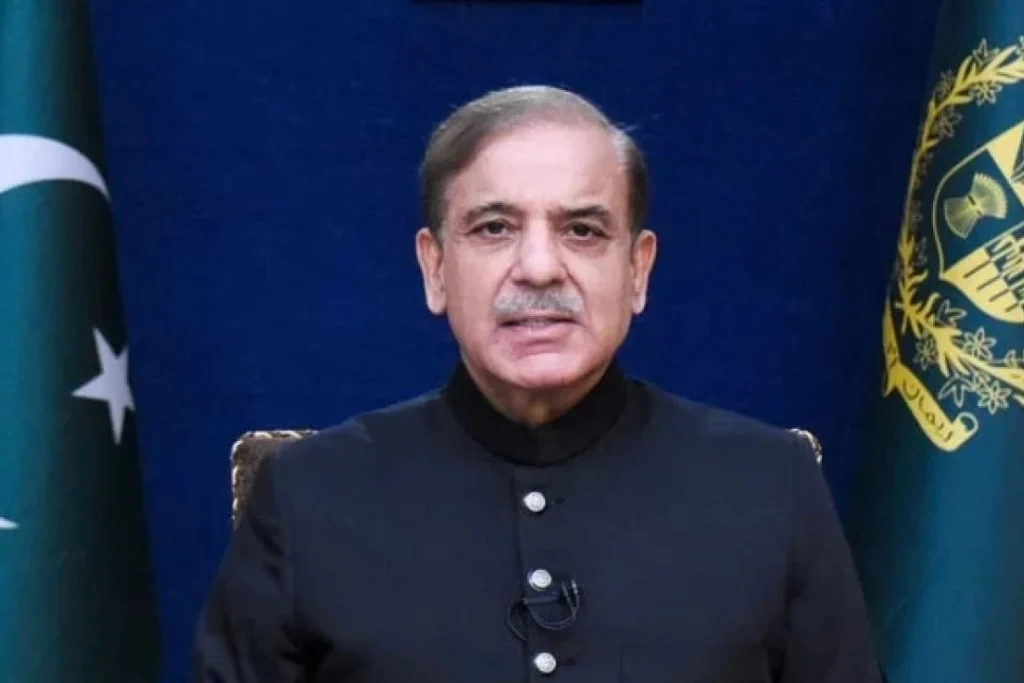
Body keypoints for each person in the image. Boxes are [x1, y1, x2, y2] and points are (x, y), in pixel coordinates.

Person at [192, 85, 881, 682]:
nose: (540, 268)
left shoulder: (772, 486)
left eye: (582, 230)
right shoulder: (307, 495)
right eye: (495, 228)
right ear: (435, 269)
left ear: (637, 271)